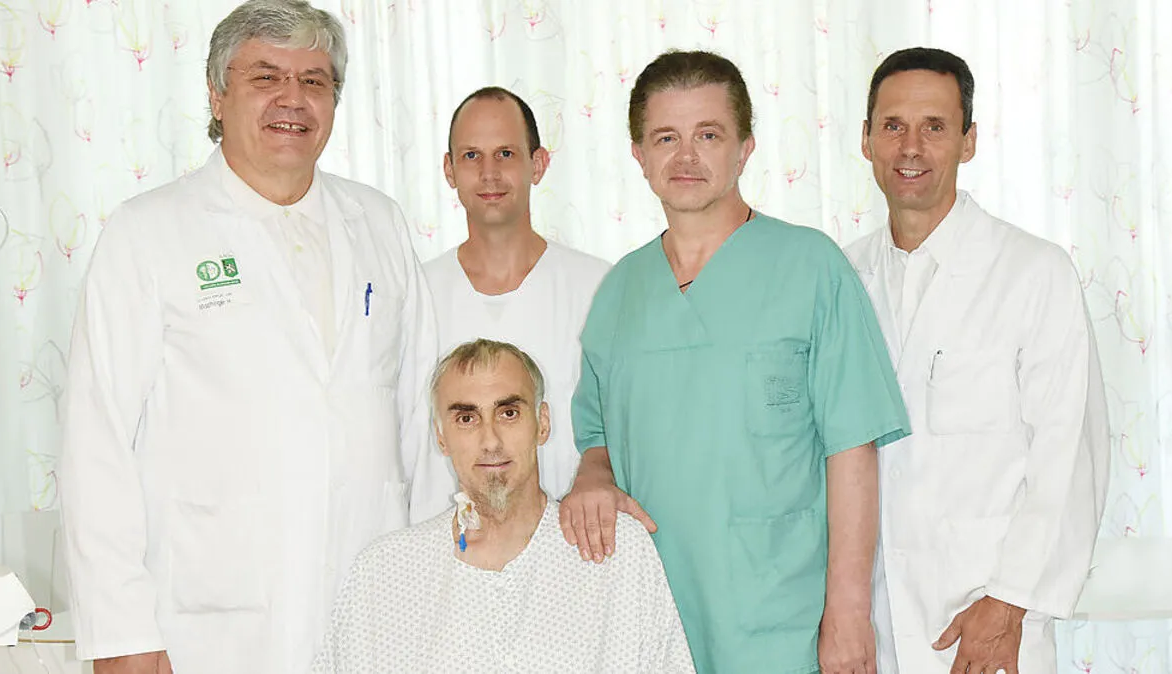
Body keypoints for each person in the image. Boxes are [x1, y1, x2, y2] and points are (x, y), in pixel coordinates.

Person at [59, 2, 453, 672]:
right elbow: (96, 444)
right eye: (266, 77)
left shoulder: (379, 223)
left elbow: (424, 421)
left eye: (314, 81)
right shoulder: (147, 232)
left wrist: (435, 591)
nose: (292, 99)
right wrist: (121, 634)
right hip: (206, 625)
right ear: (217, 96)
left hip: (374, 612)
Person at [561, 50, 912, 673]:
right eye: (665, 138)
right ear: (638, 155)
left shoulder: (811, 268)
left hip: (780, 619)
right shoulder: (619, 293)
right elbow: (598, 437)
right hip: (651, 616)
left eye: (708, 135)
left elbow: (853, 448)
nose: (686, 156)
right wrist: (592, 476)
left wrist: (849, 612)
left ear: (745, 148)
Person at [846, 47, 1111, 674]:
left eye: (935, 127)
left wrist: (1010, 604)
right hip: (872, 628)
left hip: (987, 626)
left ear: (968, 141)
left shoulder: (1033, 272)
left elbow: (1070, 454)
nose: (911, 147)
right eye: (893, 126)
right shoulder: (842, 277)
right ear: (866, 140)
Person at [312, 339, 695, 673]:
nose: (490, 440)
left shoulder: (615, 551)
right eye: (466, 418)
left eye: (508, 413)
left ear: (542, 423)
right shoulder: (384, 574)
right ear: (441, 436)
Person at [425, 86, 610, 499]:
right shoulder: (416, 294)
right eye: (471, 156)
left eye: (506, 153)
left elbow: (622, 425)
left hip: (569, 530)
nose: (489, 173)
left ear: (538, 164)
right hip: (443, 533)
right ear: (449, 170)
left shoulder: (598, 287)